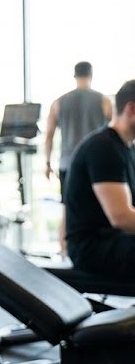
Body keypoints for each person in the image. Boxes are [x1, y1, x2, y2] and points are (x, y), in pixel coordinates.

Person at [63, 80, 135, 277]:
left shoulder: (128, 149)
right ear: (131, 109)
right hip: (91, 248)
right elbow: (121, 218)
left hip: (116, 242)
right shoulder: (103, 148)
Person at [44, 61, 112, 253]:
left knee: (68, 210)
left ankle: (65, 253)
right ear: (91, 75)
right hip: (97, 164)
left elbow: (49, 135)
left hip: (68, 164)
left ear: (75, 76)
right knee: (100, 208)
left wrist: (47, 163)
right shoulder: (104, 101)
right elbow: (116, 129)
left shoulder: (58, 102)